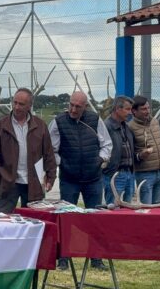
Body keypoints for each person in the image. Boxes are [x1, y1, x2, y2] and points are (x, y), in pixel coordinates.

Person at [48, 91, 112, 271]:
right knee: (66, 219)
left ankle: (96, 258)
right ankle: (63, 258)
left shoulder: (95, 120)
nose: (73, 109)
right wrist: (64, 164)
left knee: (94, 218)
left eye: (78, 106)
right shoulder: (58, 122)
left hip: (93, 178)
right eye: (71, 105)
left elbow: (106, 144)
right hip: (69, 179)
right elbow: (51, 149)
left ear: (85, 106)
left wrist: (100, 160)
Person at [0, 88, 56, 213]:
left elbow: (48, 154)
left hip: (34, 184)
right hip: (8, 184)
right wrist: (0, 179)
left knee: (34, 224)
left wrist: (50, 177)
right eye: (15, 102)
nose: (16, 107)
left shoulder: (40, 126)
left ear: (30, 105)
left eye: (21, 104)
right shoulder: (1, 125)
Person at [129, 96, 160, 204]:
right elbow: (130, 154)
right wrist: (140, 155)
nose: (147, 111)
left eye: (148, 108)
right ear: (134, 111)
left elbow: (159, 142)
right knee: (146, 206)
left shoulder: (155, 122)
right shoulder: (130, 127)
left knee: (158, 204)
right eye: (144, 109)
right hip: (144, 173)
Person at [103, 96, 136, 205]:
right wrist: (110, 171)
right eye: (127, 109)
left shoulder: (126, 126)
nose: (130, 112)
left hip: (129, 174)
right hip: (114, 174)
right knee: (113, 207)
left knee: (128, 210)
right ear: (117, 109)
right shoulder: (106, 127)